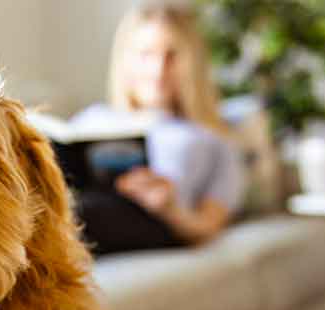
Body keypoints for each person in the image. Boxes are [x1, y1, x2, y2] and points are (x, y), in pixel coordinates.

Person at [71, 1, 245, 255]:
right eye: (146, 54)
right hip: (73, 205)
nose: (158, 70)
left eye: (172, 56)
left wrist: (170, 209)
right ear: (126, 60)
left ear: (192, 64)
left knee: (80, 211)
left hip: (150, 220)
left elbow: (208, 225)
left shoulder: (211, 138)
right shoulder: (91, 119)